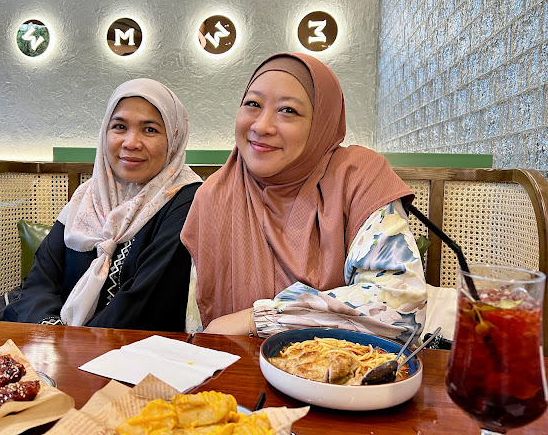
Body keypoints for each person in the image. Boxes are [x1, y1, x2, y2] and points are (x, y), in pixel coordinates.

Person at [180, 53, 427, 344]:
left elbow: (400, 307)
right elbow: (201, 326)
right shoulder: (215, 195)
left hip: (340, 378)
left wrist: (258, 319)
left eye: (288, 111)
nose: (261, 126)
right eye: (253, 104)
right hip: (237, 375)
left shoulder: (359, 178)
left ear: (321, 122)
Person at [0, 78, 202, 330]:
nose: (131, 142)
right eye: (119, 127)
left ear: (174, 138)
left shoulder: (185, 201)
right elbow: (40, 282)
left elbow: (145, 304)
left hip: (131, 355)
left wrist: (73, 345)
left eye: (150, 130)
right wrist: (53, 331)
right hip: (54, 344)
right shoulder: (88, 197)